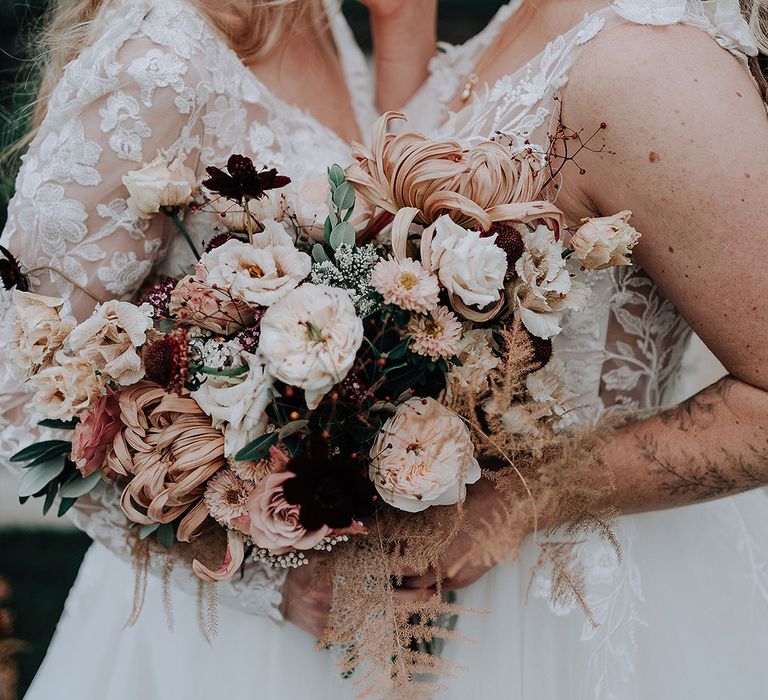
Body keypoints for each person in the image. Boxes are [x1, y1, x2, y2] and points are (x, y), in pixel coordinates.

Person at [0, 0, 438, 697]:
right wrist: (270, 583)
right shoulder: (160, 59)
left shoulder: (313, 11)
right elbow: (21, 387)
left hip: (363, 588)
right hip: (219, 636)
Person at [395, 0, 768, 697]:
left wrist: (516, 501)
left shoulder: (652, 66)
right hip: (441, 588)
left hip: (569, 600)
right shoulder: (526, 13)